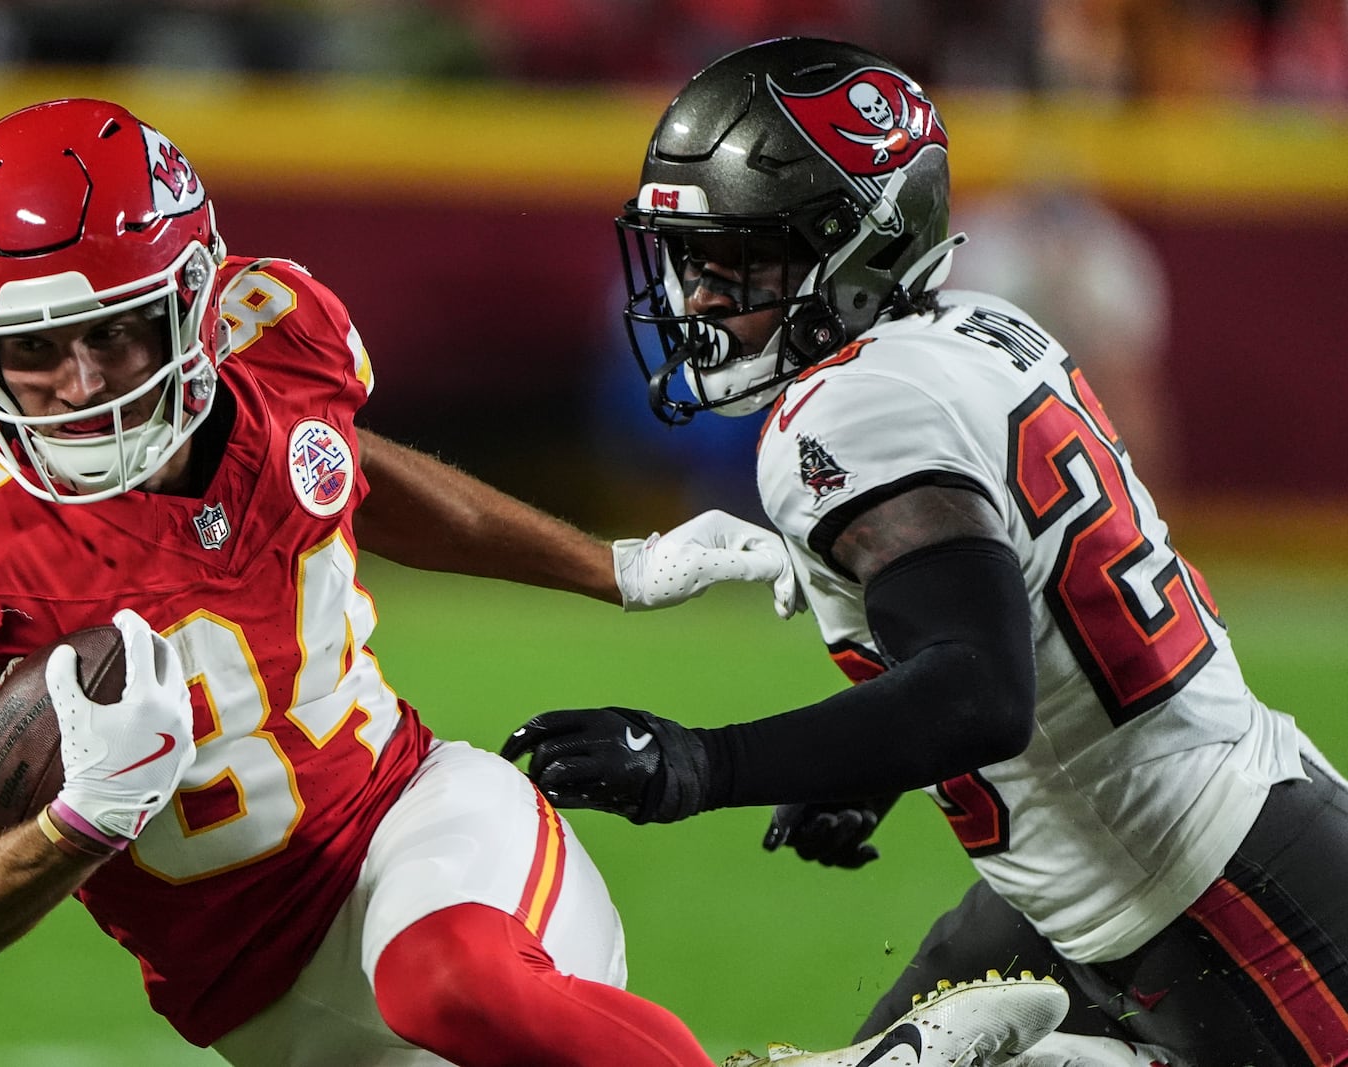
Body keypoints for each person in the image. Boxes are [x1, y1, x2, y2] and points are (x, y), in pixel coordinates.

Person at [0, 98, 1067, 1067]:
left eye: (115, 331)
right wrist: (72, 828)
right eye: (32, 352)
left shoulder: (273, 345)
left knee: (448, 974)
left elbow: (345, 473)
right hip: (260, 1012)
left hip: (420, 836)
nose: (82, 383)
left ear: (197, 302)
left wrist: (612, 566)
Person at [501, 37, 1348, 1067]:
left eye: (743, 259)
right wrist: (874, 763)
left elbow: (979, 689)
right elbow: (1017, 625)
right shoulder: (981, 326)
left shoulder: (849, 406)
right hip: (1142, 848)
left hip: (1210, 885)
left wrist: (700, 761)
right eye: (693, 259)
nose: (702, 298)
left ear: (856, 250)